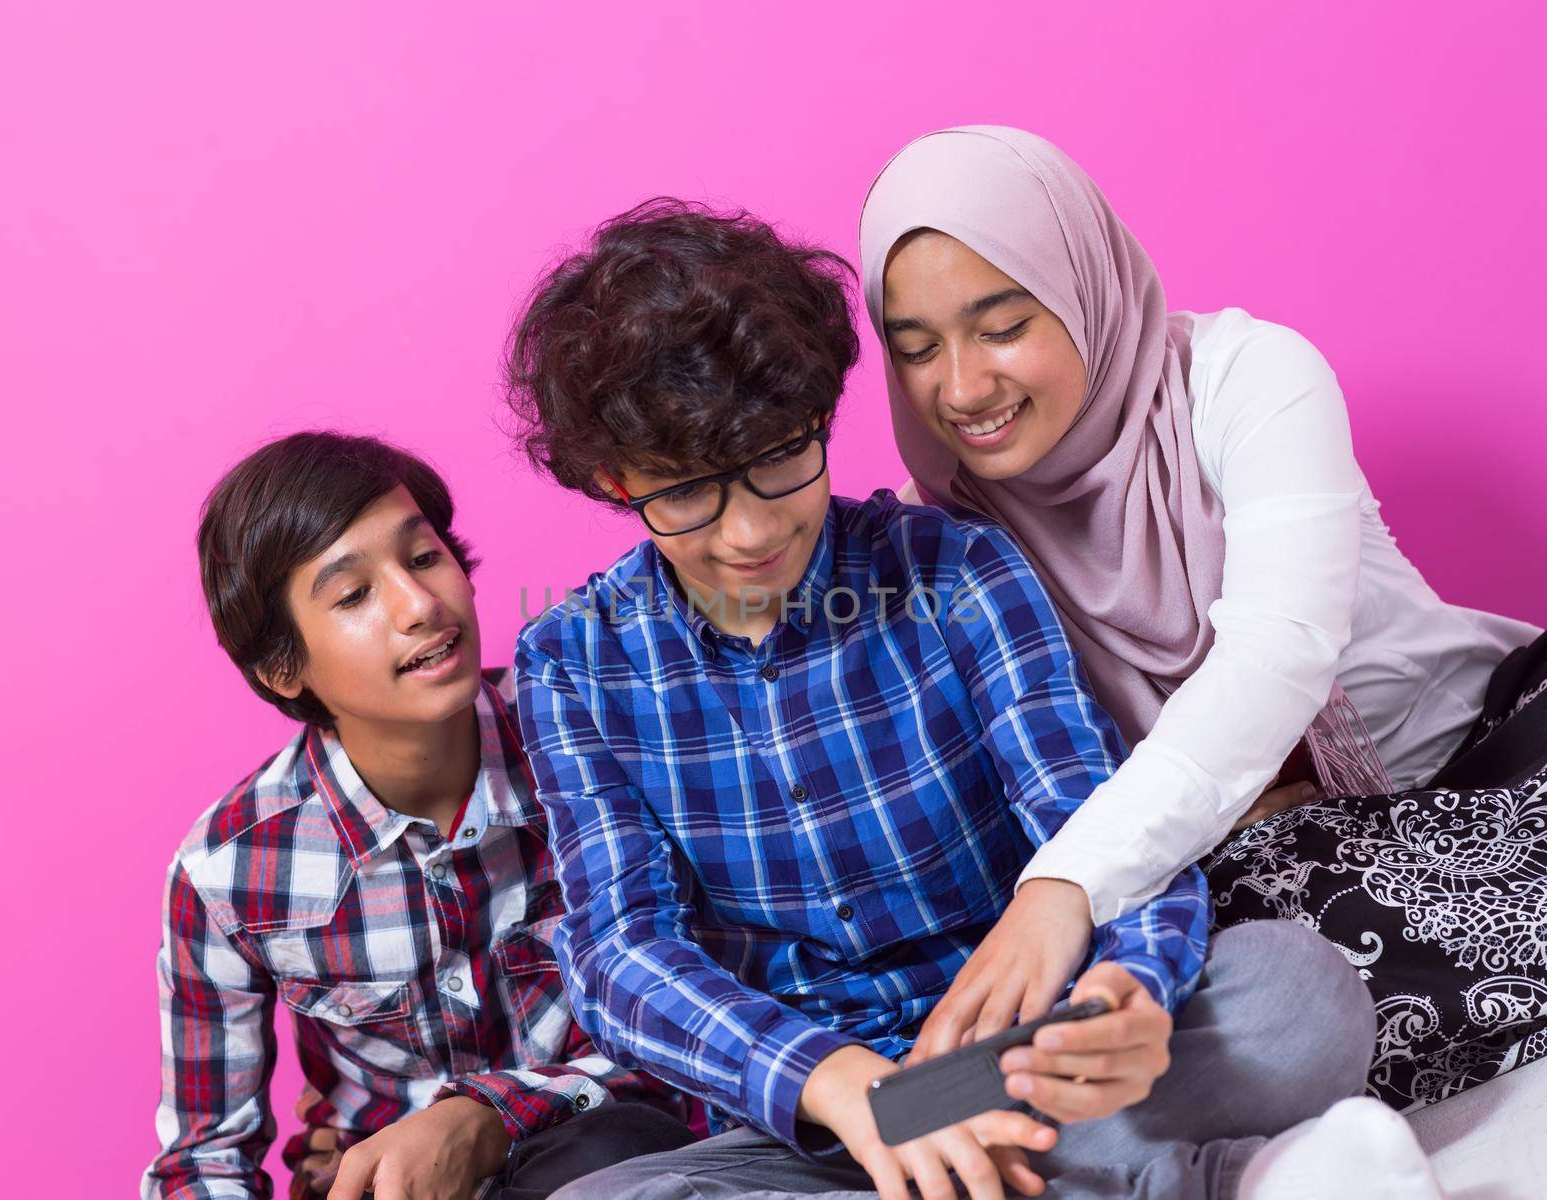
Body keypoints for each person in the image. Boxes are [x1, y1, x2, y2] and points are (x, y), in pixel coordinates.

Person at [502, 199, 1441, 1199]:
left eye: (780, 460)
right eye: (687, 493)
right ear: (611, 479)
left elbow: (1097, 818)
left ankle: (995, 1168)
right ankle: (1226, 1183)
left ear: (818, 418)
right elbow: (621, 953)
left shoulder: (956, 570)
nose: (747, 532)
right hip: (826, 1115)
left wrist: (1130, 987)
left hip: (1030, 1058)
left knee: (1295, 997)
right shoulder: (572, 662)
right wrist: (841, 1084)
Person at [859, 125, 1546, 1108]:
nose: (961, 388)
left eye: (1002, 326)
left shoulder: (1247, 379)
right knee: (1260, 971)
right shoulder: (954, 541)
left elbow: (1275, 656)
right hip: (1296, 864)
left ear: (1078, 284)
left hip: (1492, 759)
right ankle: (925, 1111)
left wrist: (1067, 885)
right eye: (915, 348)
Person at [143, 432, 693, 1200]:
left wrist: (489, 1115)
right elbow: (203, 1163)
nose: (419, 605)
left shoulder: (588, 740)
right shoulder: (230, 872)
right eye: (353, 594)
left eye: (425, 557)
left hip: (605, 1155)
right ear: (282, 667)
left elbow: (692, 1018)